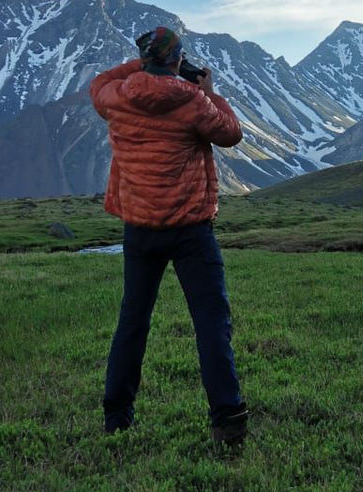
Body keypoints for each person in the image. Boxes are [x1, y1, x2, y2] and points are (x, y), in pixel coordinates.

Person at [89, 26, 248, 446]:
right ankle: (228, 418)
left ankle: (117, 417)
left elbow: (99, 84)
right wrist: (210, 91)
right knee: (211, 322)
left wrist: (141, 67)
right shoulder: (193, 101)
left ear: (143, 60)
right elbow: (231, 133)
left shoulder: (118, 98)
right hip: (191, 229)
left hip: (140, 229)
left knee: (133, 320)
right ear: (177, 59)